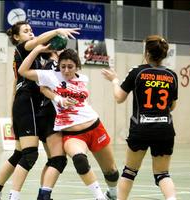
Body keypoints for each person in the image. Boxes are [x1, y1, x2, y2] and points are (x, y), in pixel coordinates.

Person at [0, 21, 79, 200]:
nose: (31, 33)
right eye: (26, 31)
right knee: (30, 155)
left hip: (25, 104)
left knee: (19, 153)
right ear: (17, 37)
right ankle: (14, 196)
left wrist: (12, 113)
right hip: (27, 102)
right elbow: (37, 43)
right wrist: (57, 31)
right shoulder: (23, 47)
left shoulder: (34, 58)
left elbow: (15, 83)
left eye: (31, 30)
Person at [19, 47, 119, 200]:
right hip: (72, 135)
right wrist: (37, 49)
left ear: (77, 66)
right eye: (63, 66)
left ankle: (112, 193)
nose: (66, 70)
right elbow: (23, 71)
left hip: (94, 126)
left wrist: (50, 93)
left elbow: (44, 90)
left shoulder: (83, 78)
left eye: (70, 67)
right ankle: (99, 197)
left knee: (111, 172)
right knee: (80, 160)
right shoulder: (51, 76)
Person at [101, 35, 178, 200]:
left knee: (129, 172)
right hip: (165, 129)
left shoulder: (137, 72)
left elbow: (119, 98)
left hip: (141, 128)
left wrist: (115, 80)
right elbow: (172, 106)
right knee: (162, 174)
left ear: (147, 53)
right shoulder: (171, 75)